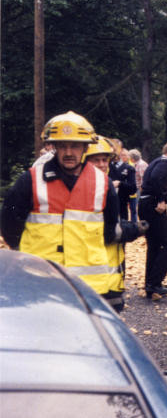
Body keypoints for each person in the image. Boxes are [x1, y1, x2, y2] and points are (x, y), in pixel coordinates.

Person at [0, 111, 125, 311]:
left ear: (85, 147)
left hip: (88, 288)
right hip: (40, 282)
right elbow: (9, 225)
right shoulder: (31, 180)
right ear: (53, 147)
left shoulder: (103, 184)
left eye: (75, 145)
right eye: (62, 145)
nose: (69, 152)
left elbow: (109, 230)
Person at [83, 136, 148, 312]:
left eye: (105, 160)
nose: (102, 164)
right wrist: (133, 229)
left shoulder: (105, 183)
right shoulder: (84, 186)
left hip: (110, 270)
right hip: (93, 269)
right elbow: (106, 230)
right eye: (96, 160)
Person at [138, 142, 167, 298]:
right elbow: (156, 178)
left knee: (154, 245)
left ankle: (150, 284)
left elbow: (150, 179)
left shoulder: (156, 162)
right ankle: (155, 282)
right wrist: (161, 200)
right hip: (152, 206)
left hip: (144, 204)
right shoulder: (164, 163)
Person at [110, 147, 137, 221]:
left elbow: (133, 189)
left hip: (122, 205)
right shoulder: (106, 166)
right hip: (107, 206)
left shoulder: (129, 168)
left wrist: (120, 184)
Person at [130, 148, 148, 222]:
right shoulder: (136, 164)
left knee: (137, 207)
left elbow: (144, 178)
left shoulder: (141, 164)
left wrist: (141, 189)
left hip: (140, 189)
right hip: (136, 188)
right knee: (133, 207)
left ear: (133, 158)